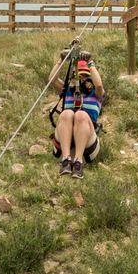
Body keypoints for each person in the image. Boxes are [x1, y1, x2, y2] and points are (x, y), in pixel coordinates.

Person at [47, 44, 105, 177]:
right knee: (67, 113)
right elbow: (52, 80)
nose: (82, 79)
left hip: (87, 138)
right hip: (65, 136)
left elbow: (99, 84)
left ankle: (78, 162)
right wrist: (61, 60)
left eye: (85, 76)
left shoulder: (97, 94)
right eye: (79, 76)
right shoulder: (67, 91)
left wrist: (90, 63)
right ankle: (66, 160)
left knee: (80, 114)